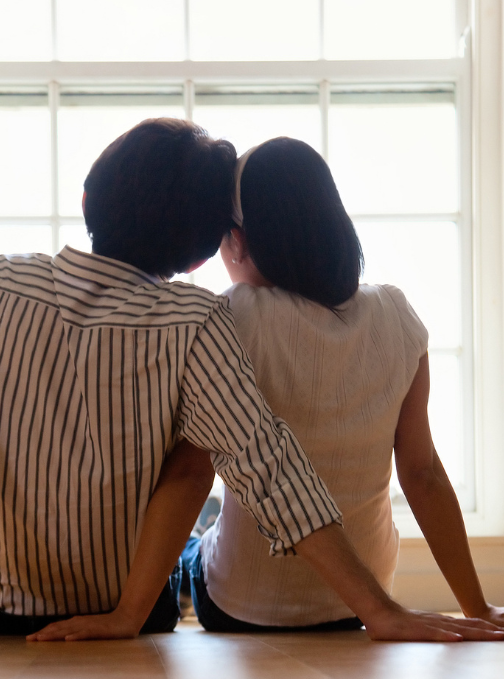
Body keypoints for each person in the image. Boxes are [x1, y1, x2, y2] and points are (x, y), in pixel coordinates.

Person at [0, 120, 501, 644]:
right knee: (195, 500)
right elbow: (277, 466)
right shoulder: (203, 321)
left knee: (197, 523)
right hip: (152, 605)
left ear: (87, 199)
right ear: (195, 259)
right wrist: (383, 610)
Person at [181, 136, 504, 634]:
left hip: (239, 604)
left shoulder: (229, 316)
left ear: (239, 240)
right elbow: (423, 474)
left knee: (193, 545)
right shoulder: (396, 314)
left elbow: (191, 470)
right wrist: (476, 607)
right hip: (362, 601)